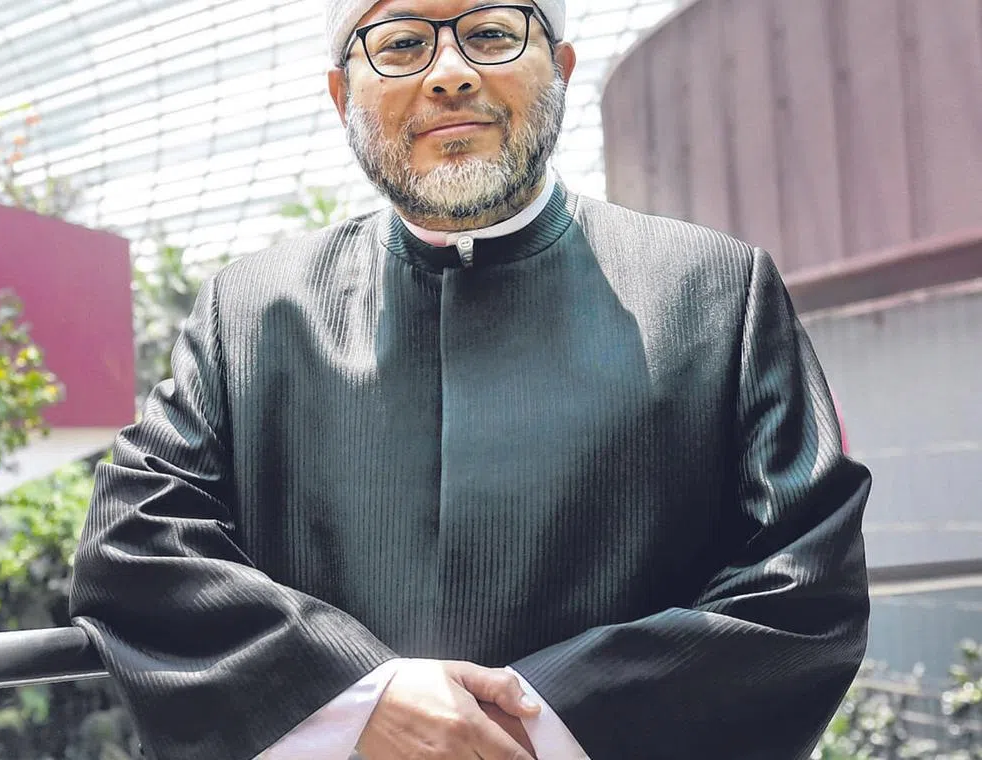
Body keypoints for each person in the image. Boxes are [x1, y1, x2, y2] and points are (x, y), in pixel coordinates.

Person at [69, 0, 873, 758]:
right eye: (401, 44)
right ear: (341, 95)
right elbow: (133, 543)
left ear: (560, 67)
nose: (449, 73)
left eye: (490, 33)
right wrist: (361, 698)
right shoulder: (249, 311)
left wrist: (541, 720)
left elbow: (805, 580)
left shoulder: (715, 290)